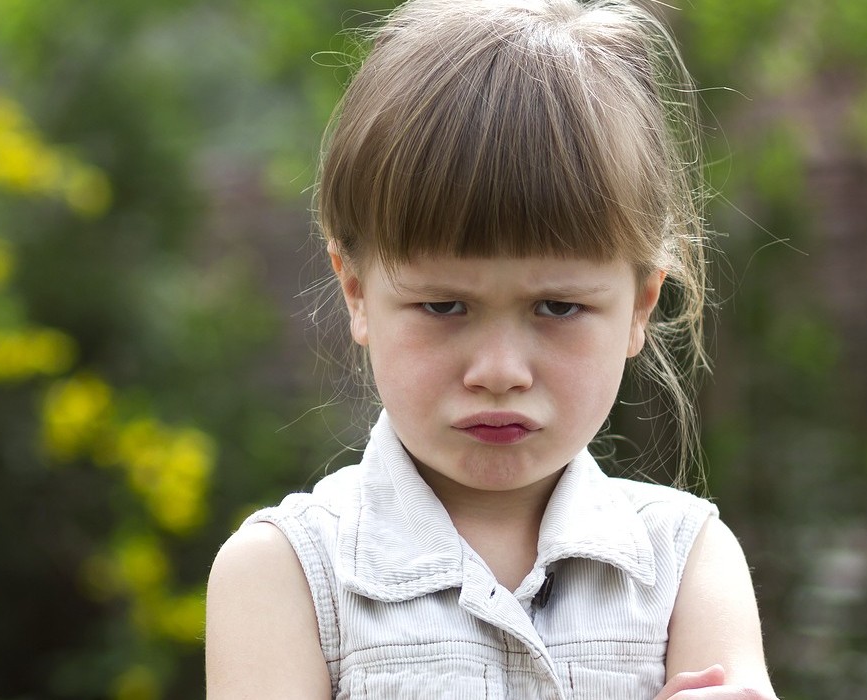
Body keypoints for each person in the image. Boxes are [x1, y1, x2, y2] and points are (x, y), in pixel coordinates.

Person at [207, 0, 776, 697]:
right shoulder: (287, 575)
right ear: (357, 292)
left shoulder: (687, 566)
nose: (500, 372)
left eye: (558, 307)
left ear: (640, 306)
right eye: (444, 307)